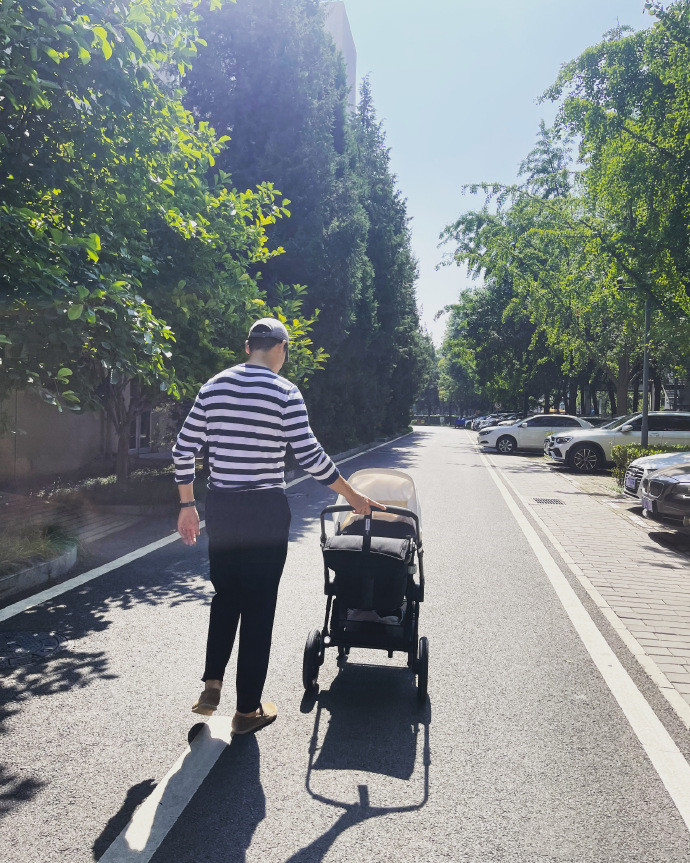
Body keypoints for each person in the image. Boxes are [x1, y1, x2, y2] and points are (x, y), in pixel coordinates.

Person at [173, 318, 382, 735]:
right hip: (265, 508)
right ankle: (247, 710)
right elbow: (310, 456)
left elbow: (182, 449)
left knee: (226, 595)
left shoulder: (213, 386)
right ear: (281, 349)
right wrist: (353, 495)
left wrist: (187, 506)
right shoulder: (285, 392)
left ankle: (213, 679)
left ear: (248, 344)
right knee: (259, 607)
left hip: (224, 507)